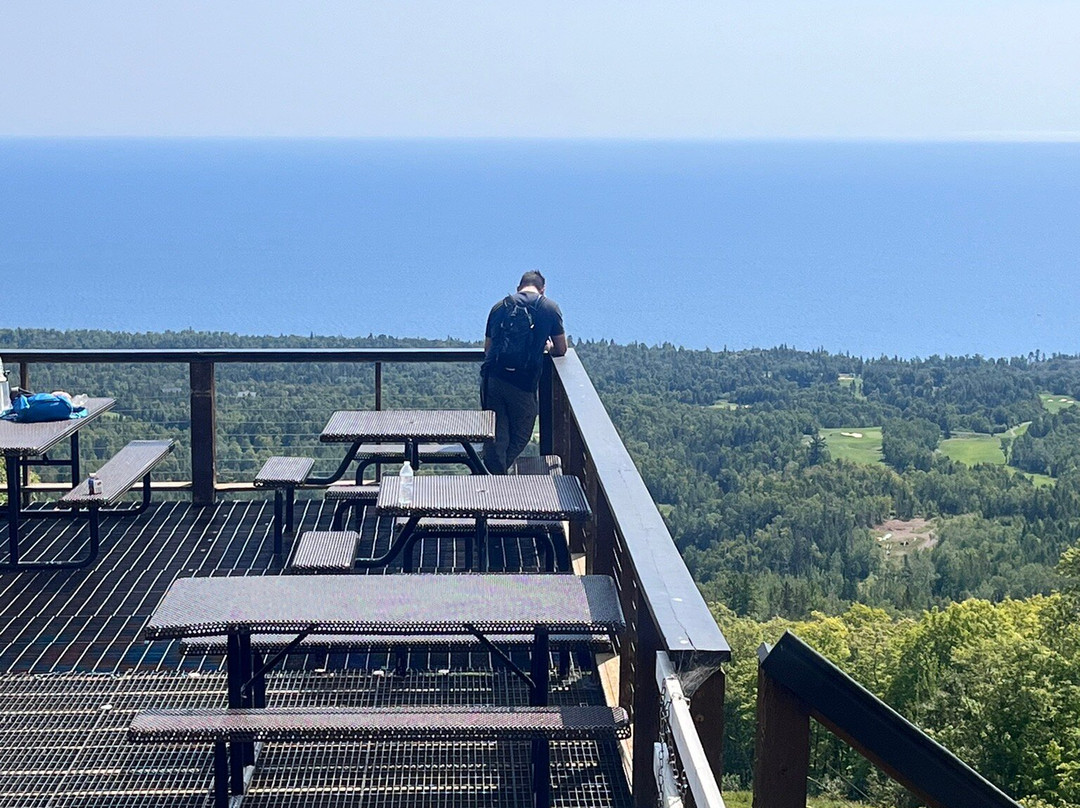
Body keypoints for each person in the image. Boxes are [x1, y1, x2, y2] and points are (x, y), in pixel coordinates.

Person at [481, 270, 567, 474]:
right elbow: (561, 348)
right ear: (542, 289)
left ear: (518, 287)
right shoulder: (550, 308)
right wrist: (547, 347)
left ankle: (492, 474)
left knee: (495, 434)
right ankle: (498, 474)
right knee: (521, 434)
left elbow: (488, 348)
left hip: (494, 378)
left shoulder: (499, 307)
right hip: (524, 383)